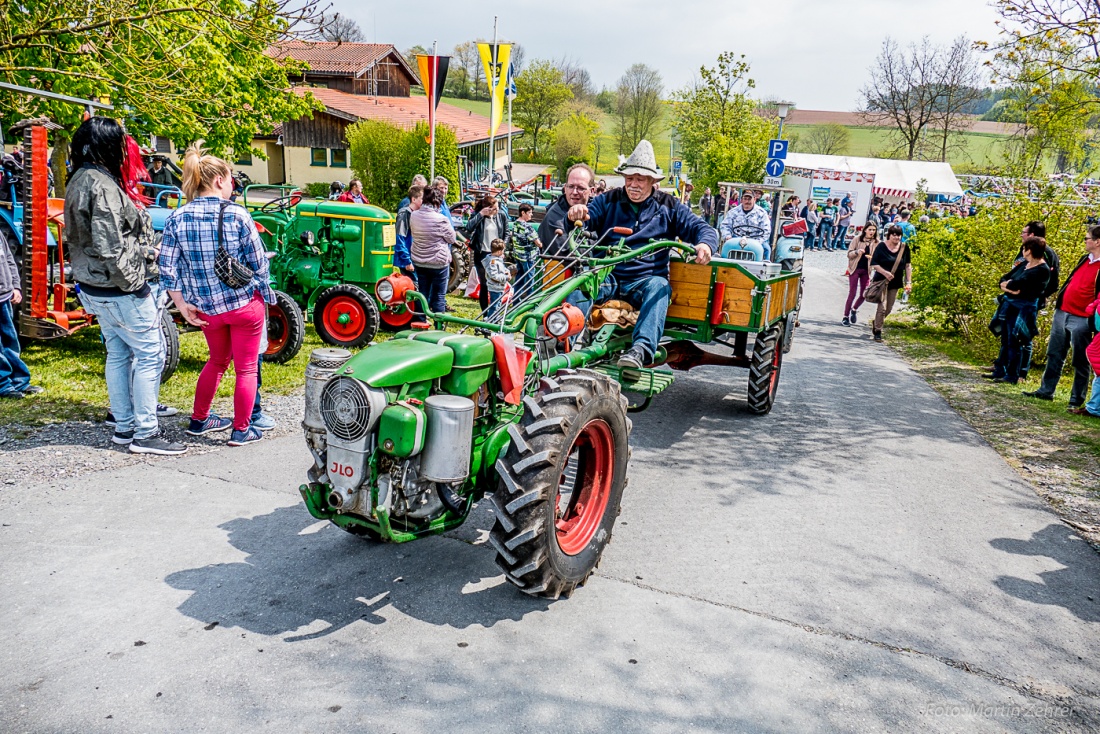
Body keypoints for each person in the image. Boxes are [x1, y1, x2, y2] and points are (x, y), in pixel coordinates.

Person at [64, 118, 184, 455]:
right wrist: (137, 285)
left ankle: (124, 425)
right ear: (106, 145)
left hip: (94, 286)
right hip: (119, 288)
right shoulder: (100, 184)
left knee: (118, 353)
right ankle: (145, 433)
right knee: (151, 355)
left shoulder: (78, 179)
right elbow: (110, 246)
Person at [159, 142, 275, 447]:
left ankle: (199, 420)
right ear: (219, 180)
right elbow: (259, 262)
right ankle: (241, 429)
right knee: (246, 368)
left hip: (206, 310)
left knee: (217, 362)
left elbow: (167, 269)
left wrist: (183, 305)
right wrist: (263, 290)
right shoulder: (237, 214)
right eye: (230, 178)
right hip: (243, 305)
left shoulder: (176, 218)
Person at [566, 140, 717, 371]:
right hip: (609, 275)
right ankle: (568, 339)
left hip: (644, 281)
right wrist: (579, 212)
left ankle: (640, 351)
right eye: (629, 178)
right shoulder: (609, 199)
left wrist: (705, 245)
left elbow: (703, 229)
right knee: (582, 280)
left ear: (653, 181)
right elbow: (589, 215)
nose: (633, 184)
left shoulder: (669, 206)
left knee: (660, 286)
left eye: (640, 179)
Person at [1024, 224, 1100, 408]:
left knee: (1080, 359)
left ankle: (1076, 398)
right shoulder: (1085, 259)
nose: (1085, 241)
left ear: (1097, 242)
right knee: (1055, 353)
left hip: (1082, 317)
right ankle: (1046, 390)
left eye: (1087, 238)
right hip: (1063, 311)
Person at [987, 237, 1051, 384]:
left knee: (1016, 341)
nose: (1023, 251)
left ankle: (1012, 375)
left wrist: (1010, 288)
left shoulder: (1042, 270)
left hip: (1024, 309)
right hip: (1010, 304)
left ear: (1031, 250)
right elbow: (1004, 279)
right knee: (1006, 339)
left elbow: (1017, 285)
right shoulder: (1024, 264)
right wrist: (1007, 287)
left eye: (1025, 248)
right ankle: (1001, 371)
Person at [0, 227, 40, 399]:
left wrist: (15, 285)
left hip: (4, 296)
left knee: (10, 341)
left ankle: (19, 381)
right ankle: (3, 385)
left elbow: (9, 258)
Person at [409, 185, 455, 324]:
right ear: (437, 202)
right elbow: (451, 238)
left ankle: (420, 321)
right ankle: (438, 324)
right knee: (439, 295)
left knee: (422, 292)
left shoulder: (413, 215)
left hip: (419, 260)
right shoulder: (441, 219)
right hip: (438, 262)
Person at [465, 194, 510, 312]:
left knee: (497, 282)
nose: (497, 210)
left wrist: (503, 247)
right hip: (482, 253)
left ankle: (495, 310)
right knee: (484, 284)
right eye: (494, 208)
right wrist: (481, 214)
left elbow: (507, 233)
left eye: (497, 207)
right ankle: (485, 313)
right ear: (487, 208)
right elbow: (468, 227)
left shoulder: (501, 215)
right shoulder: (479, 215)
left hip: (497, 253)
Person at [539, 163, 595, 255]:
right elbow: (568, 254)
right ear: (565, 188)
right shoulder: (554, 218)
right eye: (571, 186)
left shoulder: (597, 211)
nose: (574, 192)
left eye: (581, 188)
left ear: (592, 191)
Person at [869, 225, 912, 342]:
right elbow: (874, 263)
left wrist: (908, 282)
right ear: (889, 235)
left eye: (899, 235)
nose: (897, 237)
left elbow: (908, 266)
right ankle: (878, 331)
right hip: (881, 281)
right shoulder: (881, 246)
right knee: (882, 307)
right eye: (894, 234)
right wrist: (885, 272)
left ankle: (877, 322)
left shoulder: (904, 248)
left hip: (896, 282)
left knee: (888, 309)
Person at [719, 189, 773, 260]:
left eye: (749, 199)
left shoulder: (762, 213)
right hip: (736, 239)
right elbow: (725, 225)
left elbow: (767, 230)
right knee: (726, 247)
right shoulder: (733, 212)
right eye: (745, 199)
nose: (747, 201)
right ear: (741, 200)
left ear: (754, 199)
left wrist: (759, 241)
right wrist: (728, 236)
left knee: (767, 249)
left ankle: (765, 267)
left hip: (756, 240)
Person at [843, 223, 877, 326]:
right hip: (855, 269)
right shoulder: (857, 239)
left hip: (866, 270)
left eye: (874, 230)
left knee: (864, 293)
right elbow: (849, 254)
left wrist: (872, 258)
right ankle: (845, 316)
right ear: (865, 230)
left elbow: (878, 257)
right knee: (852, 293)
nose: (872, 232)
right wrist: (857, 252)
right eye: (870, 229)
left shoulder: (876, 242)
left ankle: (854, 309)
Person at [511, 203, 542, 295]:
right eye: (529, 213)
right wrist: (541, 244)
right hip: (527, 257)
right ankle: (530, 299)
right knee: (530, 279)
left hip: (518, 255)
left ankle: (516, 300)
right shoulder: (527, 227)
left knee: (519, 278)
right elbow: (538, 243)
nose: (531, 215)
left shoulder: (515, 224)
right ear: (523, 213)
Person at [394, 184, 422, 284]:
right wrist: (407, 261)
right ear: (413, 199)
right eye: (422, 198)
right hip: (407, 259)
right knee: (414, 285)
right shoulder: (404, 214)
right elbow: (399, 238)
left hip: (414, 257)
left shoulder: (416, 214)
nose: (424, 202)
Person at [484, 238, 511, 319]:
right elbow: (494, 276)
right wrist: (506, 277)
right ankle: (491, 320)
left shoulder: (498, 260)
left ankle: (494, 318)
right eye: (503, 250)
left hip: (499, 287)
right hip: (495, 287)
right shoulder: (493, 262)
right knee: (494, 306)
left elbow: (501, 268)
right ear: (499, 252)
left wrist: (507, 271)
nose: (503, 252)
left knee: (498, 305)